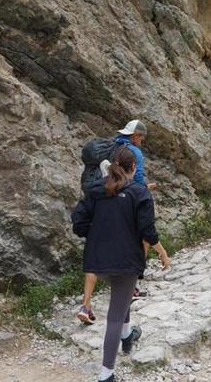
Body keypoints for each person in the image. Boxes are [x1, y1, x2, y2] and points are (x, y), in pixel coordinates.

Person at [72, 146, 171, 382]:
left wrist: (97, 236)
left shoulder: (95, 190)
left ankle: (127, 336)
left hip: (97, 260)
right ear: (133, 167)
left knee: (122, 297)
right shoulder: (140, 192)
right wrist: (163, 253)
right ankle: (106, 375)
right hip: (126, 261)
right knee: (114, 316)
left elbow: (78, 224)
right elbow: (147, 231)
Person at [77, 119, 155, 325]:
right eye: (142, 138)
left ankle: (86, 305)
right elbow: (136, 179)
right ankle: (132, 285)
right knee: (138, 241)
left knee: (96, 249)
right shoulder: (132, 153)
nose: (142, 142)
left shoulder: (110, 146)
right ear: (136, 136)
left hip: (99, 198)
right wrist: (144, 191)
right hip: (121, 203)